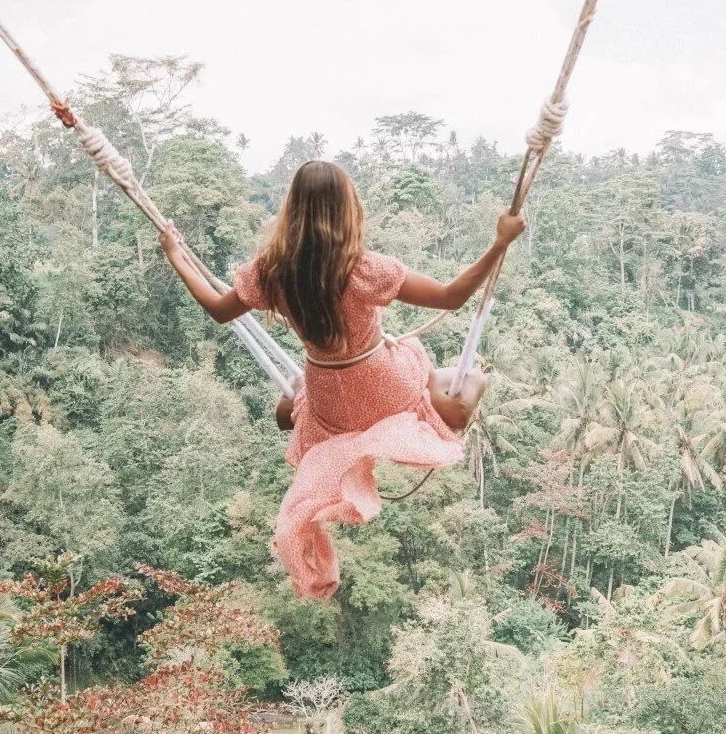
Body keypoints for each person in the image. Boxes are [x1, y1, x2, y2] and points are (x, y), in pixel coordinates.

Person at [159, 160, 525, 599]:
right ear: (347, 209)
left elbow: (220, 310)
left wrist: (177, 257)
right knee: (458, 382)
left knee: (294, 402)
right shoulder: (362, 269)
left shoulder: (270, 271)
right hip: (385, 386)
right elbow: (452, 296)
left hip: (327, 395)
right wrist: (499, 242)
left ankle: (301, 411)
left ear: (291, 209)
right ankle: (469, 380)